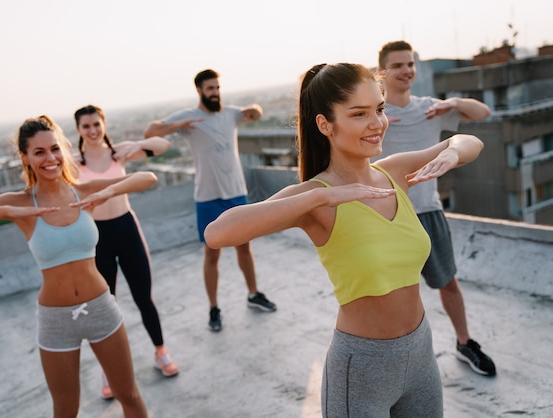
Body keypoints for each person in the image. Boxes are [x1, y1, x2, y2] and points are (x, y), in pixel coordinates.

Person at [204, 63, 484, 416]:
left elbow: (469, 141)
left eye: (379, 109)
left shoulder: (394, 172)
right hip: (361, 369)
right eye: (359, 114)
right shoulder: (313, 197)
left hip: (420, 353)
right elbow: (217, 233)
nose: (376, 123)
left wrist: (451, 152)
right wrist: (319, 197)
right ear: (325, 125)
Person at [0, 115, 150, 418]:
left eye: (54, 149)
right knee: (65, 409)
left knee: (128, 395)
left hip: (102, 309)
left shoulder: (85, 191)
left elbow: (148, 178)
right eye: (39, 152)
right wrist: (8, 209)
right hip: (56, 320)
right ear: (24, 157)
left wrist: (107, 192)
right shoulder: (22, 203)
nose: (50, 158)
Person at [377, 40, 496, 377]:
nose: (406, 71)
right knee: (394, 295)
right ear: (382, 71)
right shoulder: (376, 114)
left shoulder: (431, 107)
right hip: (388, 216)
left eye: (410, 64)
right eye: (398, 65)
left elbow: (484, 114)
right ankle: (399, 358)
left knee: (448, 283)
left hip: (428, 211)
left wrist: (454, 102)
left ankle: (464, 342)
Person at [143, 68, 276, 332]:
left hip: (236, 192)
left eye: (217, 88)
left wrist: (254, 109)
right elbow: (150, 131)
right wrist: (177, 126)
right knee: (211, 254)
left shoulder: (230, 114)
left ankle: (253, 294)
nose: (215, 93)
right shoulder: (189, 117)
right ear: (200, 91)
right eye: (210, 89)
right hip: (208, 196)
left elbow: (257, 112)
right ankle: (214, 308)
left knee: (244, 247)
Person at [74, 105, 179, 400]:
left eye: (96, 124)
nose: (93, 131)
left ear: (103, 124)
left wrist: (138, 144)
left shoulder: (119, 152)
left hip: (126, 229)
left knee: (144, 297)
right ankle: (110, 371)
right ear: (79, 131)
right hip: (97, 237)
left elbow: (164, 145)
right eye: (86, 126)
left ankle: (161, 351)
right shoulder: (74, 162)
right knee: (107, 306)